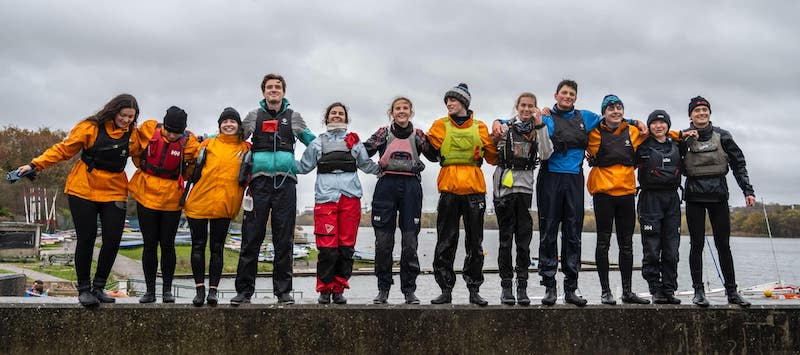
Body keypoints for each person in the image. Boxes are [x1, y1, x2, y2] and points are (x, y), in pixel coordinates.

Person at [525, 80, 646, 307]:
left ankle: (571, 288)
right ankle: (550, 286)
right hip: (550, 177)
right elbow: (519, 123)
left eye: (572, 94)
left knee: (573, 234)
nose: (568, 96)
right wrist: (499, 122)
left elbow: (611, 120)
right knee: (549, 232)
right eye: (564, 93)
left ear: (575, 97)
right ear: (556, 95)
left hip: (574, 179)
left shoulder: (586, 117)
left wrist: (632, 121)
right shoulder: (547, 117)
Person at [16, 94, 139, 307]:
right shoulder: (90, 127)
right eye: (123, 115)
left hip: (115, 190)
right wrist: (35, 165)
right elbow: (63, 149)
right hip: (84, 188)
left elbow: (148, 152)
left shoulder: (134, 135)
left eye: (131, 117)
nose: (127, 120)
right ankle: (84, 289)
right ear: (113, 111)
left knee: (112, 239)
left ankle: (99, 287)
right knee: (87, 238)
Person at [231, 73, 315, 306]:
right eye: (270, 87)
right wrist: (204, 139)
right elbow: (233, 138)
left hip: (286, 183)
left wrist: (304, 165)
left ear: (283, 92)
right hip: (258, 183)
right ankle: (244, 291)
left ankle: (283, 292)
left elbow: (313, 142)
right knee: (251, 238)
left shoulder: (294, 117)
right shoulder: (253, 116)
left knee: (284, 239)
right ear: (263, 92)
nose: (274, 90)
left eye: (278, 87)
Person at [296, 102, 380, 304]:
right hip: (325, 200)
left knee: (346, 247)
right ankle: (324, 290)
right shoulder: (317, 143)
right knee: (327, 249)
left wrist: (386, 169)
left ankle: (339, 288)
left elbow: (366, 165)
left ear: (346, 118)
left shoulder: (354, 142)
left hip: (350, 199)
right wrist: (280, 164)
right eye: (333, 113)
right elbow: (304, 166)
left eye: (340, 113)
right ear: (326, 118)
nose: (336, 116)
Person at [426, 83, 498, 306]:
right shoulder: (439, 125)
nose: (449, 103)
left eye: (454, 100)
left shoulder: (480, 127)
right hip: (448, 189)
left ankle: (474, 289)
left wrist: (500, 137)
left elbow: (494, 158)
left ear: (464, 103)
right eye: (447, 100)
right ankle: (445, 289)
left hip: (474, 191)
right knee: (445, 241)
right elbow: (428, 151)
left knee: (475, 243)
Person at [681, 96, 755, 308]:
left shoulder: (722, 136)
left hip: (719, 196)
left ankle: (732, 291)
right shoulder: (683, 137)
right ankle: (698, 291)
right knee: (696, 244)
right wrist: (683, 143)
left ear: (709, 113)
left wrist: (747, 190)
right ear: (690, 116)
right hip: (694, 196)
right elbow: (674, 162)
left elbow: (738, 164)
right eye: (697, 111)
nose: (701, 113)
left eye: (705, 110)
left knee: (723, 244)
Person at [363, 97, 437, 304]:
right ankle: (383, 289)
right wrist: (350, 144)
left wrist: (436, 139)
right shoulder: (383, 133)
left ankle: (409, 290)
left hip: (411, 188)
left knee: (410, 244)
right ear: (392, 112)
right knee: (384, 243)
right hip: (386, 186)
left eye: (405, 108)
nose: (401, 111)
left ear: (410, 112)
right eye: (398, 108)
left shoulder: (418, 134)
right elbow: (364, 151)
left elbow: (434, 156)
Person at [129, 106, 200, 303]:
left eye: (176, 133)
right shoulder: (149, 129)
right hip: (145, 193)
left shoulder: (190, 142)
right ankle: (150, 291)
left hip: (172, 199)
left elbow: (196, 163)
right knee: (149, 244)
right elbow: (132, 141)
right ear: (163, 125)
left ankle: (167, 290)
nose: (171, 135)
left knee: (167, 244)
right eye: (168, 131)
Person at [585, 95, 651, 305]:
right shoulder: (593, 133)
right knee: (603, 242)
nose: (615, 111)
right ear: (603, 113)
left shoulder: (633, 131)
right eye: (611, 108)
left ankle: (627, 291)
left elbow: (658, 131)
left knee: (627, 244)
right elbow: (570, 129)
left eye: (619, 108)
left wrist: (634, 121)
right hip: (603, 194)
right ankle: (605, 291)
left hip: (626, 194)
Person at [490, 92, 552, 305]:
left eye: (531, 106)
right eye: (523, 105)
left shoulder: (538, 130)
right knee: (505, 240)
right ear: (517, 106)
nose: (526, 109)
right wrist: (496, 124)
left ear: (535, 108)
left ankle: (522, 285)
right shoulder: (505, 127)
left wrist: (541, 125)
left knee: (523, 242)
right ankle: (506, 286)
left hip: (525, 190)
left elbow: (545, 155)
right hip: (503, 190)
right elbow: (491, 147)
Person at [184, 107, 250, 307]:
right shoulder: (208, 143)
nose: (228, 125)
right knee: (197, 245)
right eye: (225, 122)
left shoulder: (245, 148)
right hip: (199, 201)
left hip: (225, 203)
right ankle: (199, 290)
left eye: (233, 122)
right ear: (219, 125)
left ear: (239, 126)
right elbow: (189, 156)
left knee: (217, 248)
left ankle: (213, 291)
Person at [635, 110, 684, 304]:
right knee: (652, 248)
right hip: (650, 199)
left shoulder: (678, 146)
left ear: (668, 126)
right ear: (650, 126)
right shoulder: (642, 146)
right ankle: (655, 289)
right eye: (654, 123)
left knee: (672, 249)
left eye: (662, 123)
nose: (658, 126)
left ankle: (669, 289)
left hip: (672, 199)